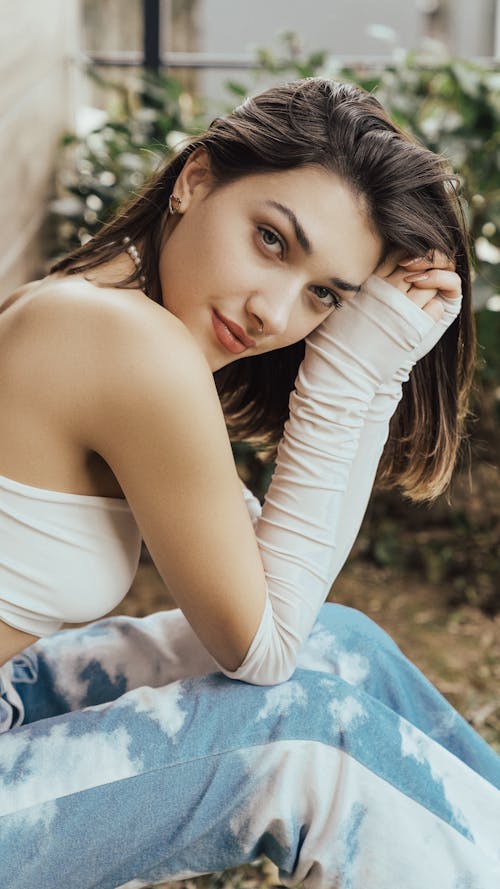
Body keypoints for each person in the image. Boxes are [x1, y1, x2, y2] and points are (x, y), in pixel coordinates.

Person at [0, 77, 498, 889]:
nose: (276, 313)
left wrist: (372, 365)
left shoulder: (89, 310)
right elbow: (261, 651)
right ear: (196, 180)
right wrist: (352, 368)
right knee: (301, 739)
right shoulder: (125, 342)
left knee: (343, 645)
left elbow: (279, 601)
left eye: (324, 296)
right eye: (272, 239)